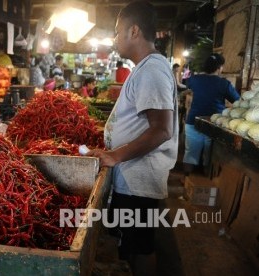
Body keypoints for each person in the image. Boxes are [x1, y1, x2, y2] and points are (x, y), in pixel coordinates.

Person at [86, 2, 178, 275]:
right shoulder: (144, 67)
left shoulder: (152, 69)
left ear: (133, 31)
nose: (114, 39)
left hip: (140, 180)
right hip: (132, 176)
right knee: (131, 245)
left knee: (140, 246)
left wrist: (115, 155)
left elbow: (162, 129)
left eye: (117, 32)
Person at [182, 53, 240, 178]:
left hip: (193, 122)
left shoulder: (194, 79)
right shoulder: (224, 84)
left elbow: (186, 86)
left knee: (190, 153)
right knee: (210, 156)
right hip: (213, 124)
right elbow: (238, 101)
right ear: (219, 68)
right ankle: (207, 182)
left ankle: (186, 179)